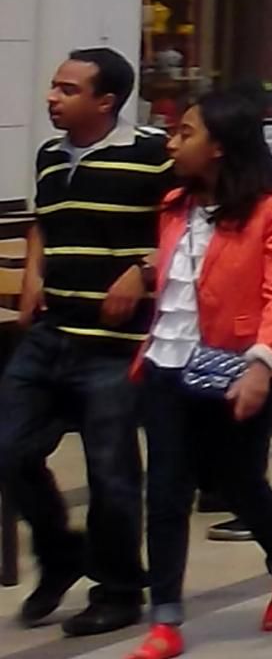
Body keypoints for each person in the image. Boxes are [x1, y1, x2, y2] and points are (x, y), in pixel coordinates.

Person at [119, 84, 272, 658]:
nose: (172, 142)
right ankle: (166, 620)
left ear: (220, 145)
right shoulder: (174, 203)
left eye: (186, 132)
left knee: (238, 483)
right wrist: (142, 273)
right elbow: (178, 279)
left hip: (236, 365)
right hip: (166, 366)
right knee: (166, 491)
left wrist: (261, 364)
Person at [5, 49, 170, 638]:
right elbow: (44, 221)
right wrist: (32, 272)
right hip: (51, 333)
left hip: (115, 343)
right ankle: (60, 553)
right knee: (9, 449)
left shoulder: (153, 153)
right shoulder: (50, 155)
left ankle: (119, 589)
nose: (52, 97)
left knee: (110, 470)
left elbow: (193, 225)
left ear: (106, 101)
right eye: (54, 86)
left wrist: (144, 271)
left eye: (67, 89)